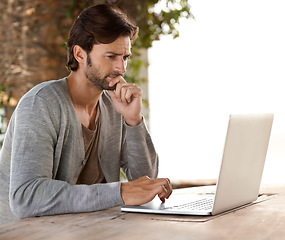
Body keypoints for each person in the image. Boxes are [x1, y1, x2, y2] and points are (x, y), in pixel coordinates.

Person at [0, 4, 172, 225]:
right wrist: (119, 192)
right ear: (80, 54)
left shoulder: (114, 105)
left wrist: (133, 120)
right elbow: (26, 197)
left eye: (125, 57)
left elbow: (144, 182)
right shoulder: (41, 104)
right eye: (111, 56)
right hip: (24, 234)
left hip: (86, 229)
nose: (122, 68)